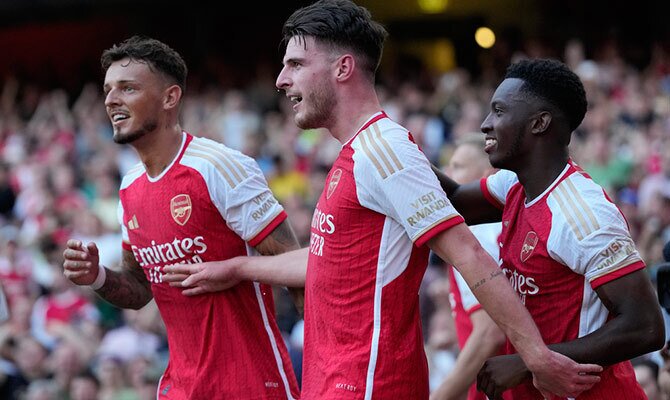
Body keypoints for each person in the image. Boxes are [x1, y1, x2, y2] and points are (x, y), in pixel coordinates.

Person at [164, 2, 601, 399]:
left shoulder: (382, 148)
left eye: (296, 64)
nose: (281, 81)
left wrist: (536, 356)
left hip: (369, 384)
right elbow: (330, 261)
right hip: (335, 382)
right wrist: (236, 268)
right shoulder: (357, 151)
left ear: (343, 68)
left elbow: (467, 253)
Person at [62, 36, 301, 399]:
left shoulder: (218, 167)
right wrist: (95, 276)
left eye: (127, 88)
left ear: (170, 98)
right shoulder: (129, 188)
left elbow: (297, 267)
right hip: (181, 386)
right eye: (108, 89)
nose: (111, 100)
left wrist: (323, 363)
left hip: (250, 383)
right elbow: (141, 290)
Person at [430, 58, 665, 399]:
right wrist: (388, 142)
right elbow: (452, 199)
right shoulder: (514, 184)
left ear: (539, 123)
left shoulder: (583, 213)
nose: (485, 124)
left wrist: (529, 363)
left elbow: (645, 326)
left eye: (498, 111)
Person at [430, 134, 507, 400]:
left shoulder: (476, 234)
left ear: (487, 176)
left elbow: (489, 332)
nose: (448, 175)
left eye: (458, 167)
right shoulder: (493, 230)